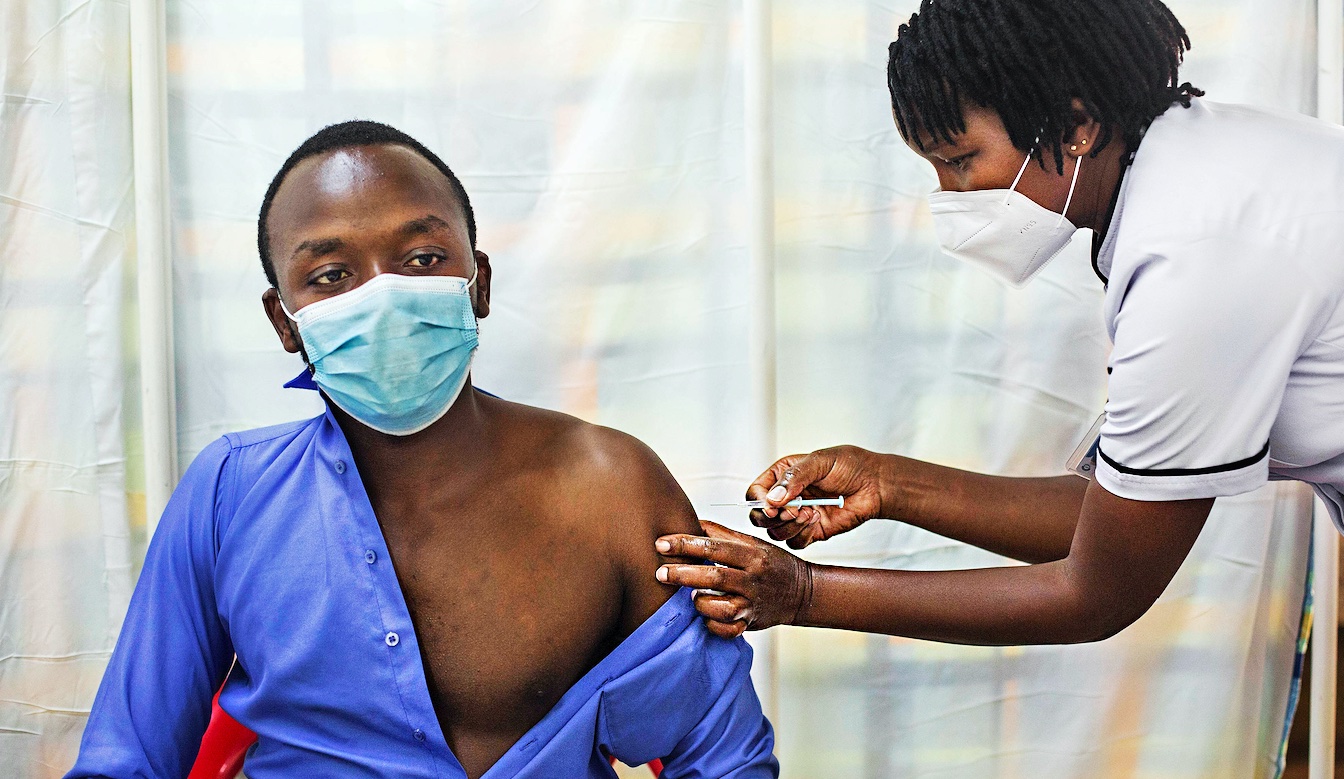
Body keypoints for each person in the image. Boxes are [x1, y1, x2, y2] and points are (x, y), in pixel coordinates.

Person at [66, 121, 777, 779]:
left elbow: (724, 759)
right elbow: (124, 760)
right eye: (332, 275)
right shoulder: (229, 494)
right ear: (286, 322)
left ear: (480, 284)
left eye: (423, 257)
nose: (384, 295)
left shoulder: (610, 486)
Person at [657, 0, 1344, 648]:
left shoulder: (1195, 259)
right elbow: (1109, 515)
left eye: (959, 162)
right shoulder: (1195, 174)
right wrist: (886, 482)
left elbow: (1094, 592)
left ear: (1077, 125)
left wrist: (804, 593)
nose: (950, 198)